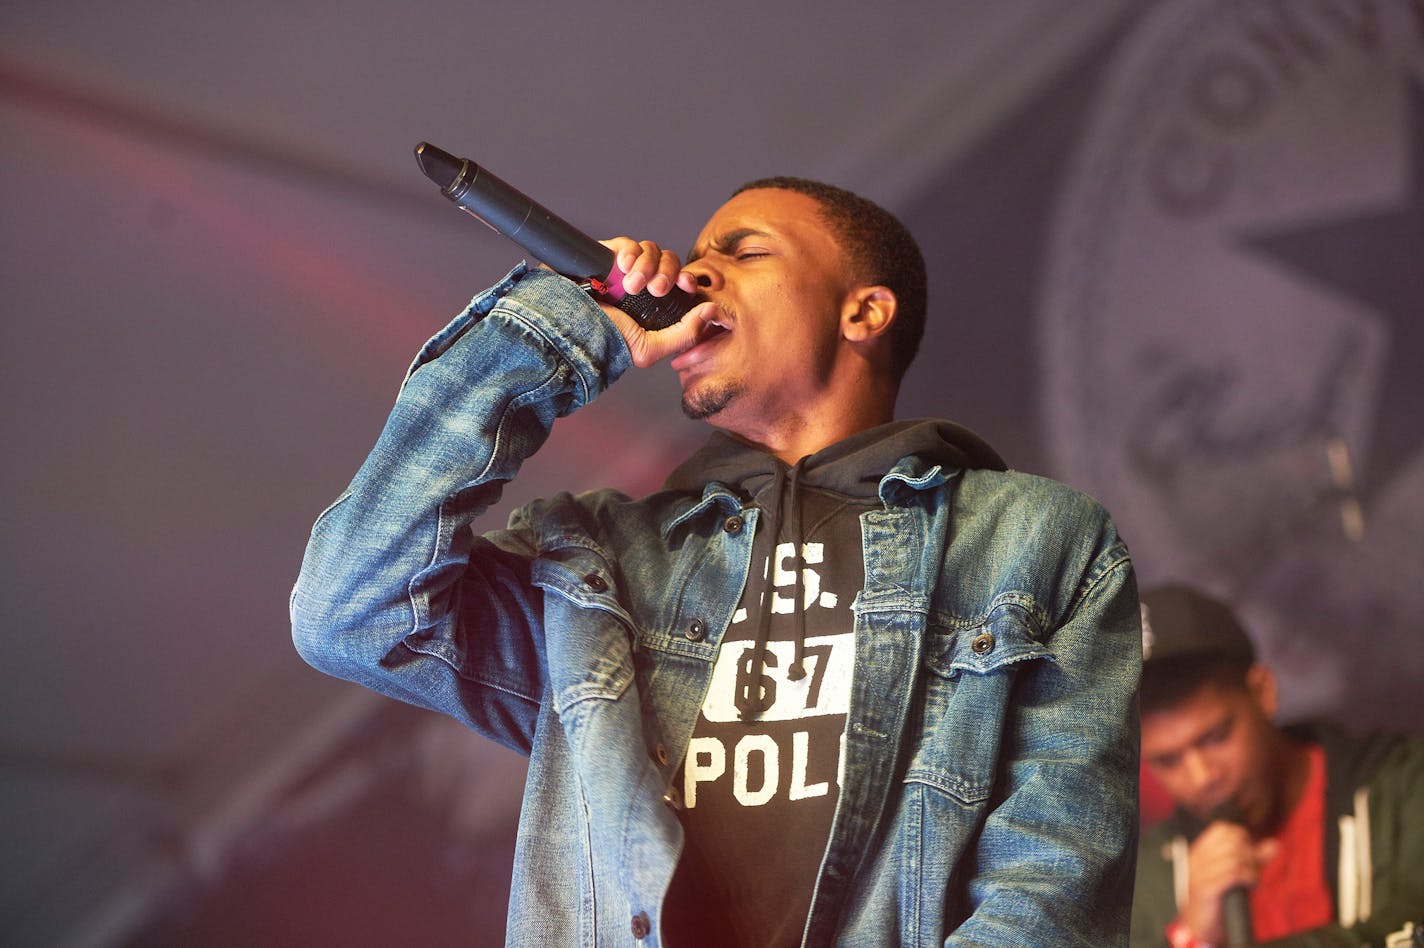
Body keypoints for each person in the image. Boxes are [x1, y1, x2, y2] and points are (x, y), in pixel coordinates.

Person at [291, 177, 1142, 946]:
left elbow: (1050, 882)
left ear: (864, 313)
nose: (694, 275)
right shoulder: (605, 565)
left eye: (743, 252)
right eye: (694, 259)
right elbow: (350, 612)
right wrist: (563, 337)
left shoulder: (1033, 539)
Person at [1130, 584, 1424, 948]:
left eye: (1216, 737)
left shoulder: (1403, 787)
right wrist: (1189, 937)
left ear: (1262, 692)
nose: (1202, 777)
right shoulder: (1144, 880)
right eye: (1167, 760)